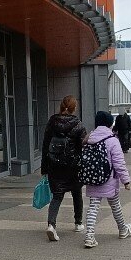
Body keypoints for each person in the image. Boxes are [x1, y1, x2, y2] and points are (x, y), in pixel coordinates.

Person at [83, 110, 131, 248]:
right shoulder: (112, 140)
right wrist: (126, 180)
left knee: (93, 207)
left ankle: (89, 236)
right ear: (109, 124)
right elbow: (119, 163)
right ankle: (123, 229)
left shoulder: (89, 139)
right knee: (115, 206)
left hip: (92, 178)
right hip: (109, 180)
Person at [41, 95, 87, 242]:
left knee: (57, 196)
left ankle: (51, 225)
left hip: (54, 165)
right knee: (76, 194)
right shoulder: (78, 125)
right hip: (73, 167)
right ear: (74, 108)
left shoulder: (52, 122)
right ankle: (78, 223)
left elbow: (45, 146)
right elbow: (83, 148)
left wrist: (44, 168)